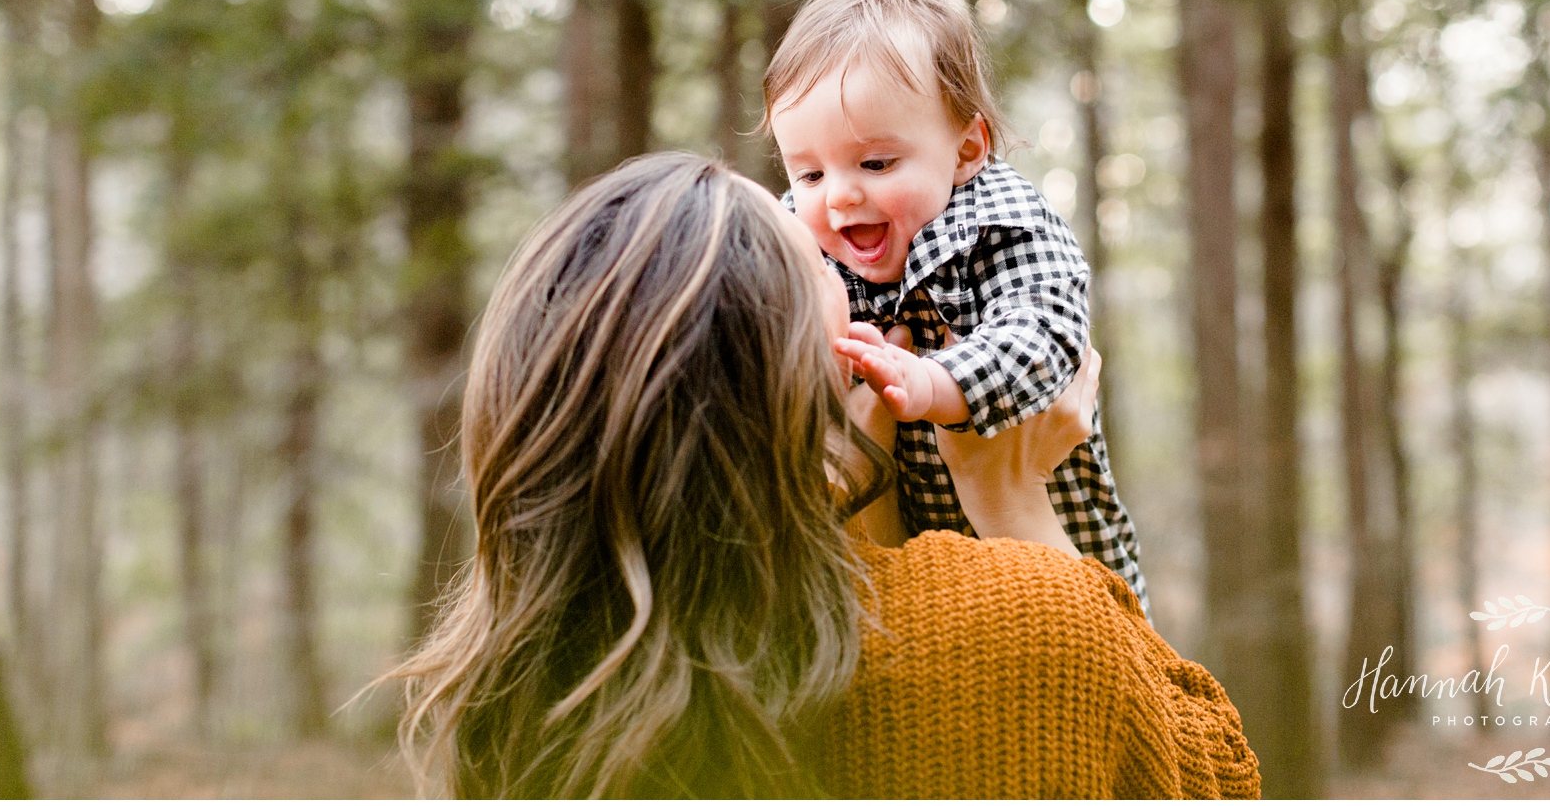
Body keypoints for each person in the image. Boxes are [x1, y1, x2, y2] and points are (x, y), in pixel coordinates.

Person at [388, 153, 1258, 798]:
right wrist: (1011, 498)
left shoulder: (527, 712)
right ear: (787, 378)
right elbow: (1211, 776)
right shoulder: (1023, 627)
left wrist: (848, 495)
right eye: (817, 273)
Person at [765, 0, 1149, 612]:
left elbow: (1043, 334)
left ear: (968, 149)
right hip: (906, 573)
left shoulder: (999, 223)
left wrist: (937, 384)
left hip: (1055, 546)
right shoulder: (803, 247)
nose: (839, 195)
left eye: (876, 163)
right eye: (808, 174)